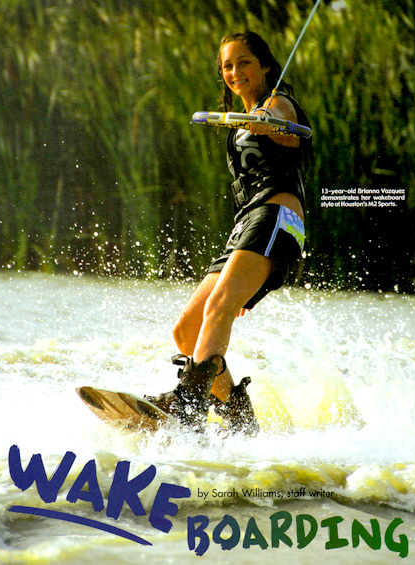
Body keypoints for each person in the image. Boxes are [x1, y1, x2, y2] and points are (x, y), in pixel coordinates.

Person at [146, 32, 312, 436]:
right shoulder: (238, 122)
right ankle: (240, 417)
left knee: (219, 305)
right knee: (186, 329)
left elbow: (289, 132)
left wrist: (270, 125)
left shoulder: (277, 104)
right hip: (246, 225)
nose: (235, 72)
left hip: (278, 217)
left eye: (245, 62)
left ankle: (187, 406)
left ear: (266, 66)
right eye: (228, 66)